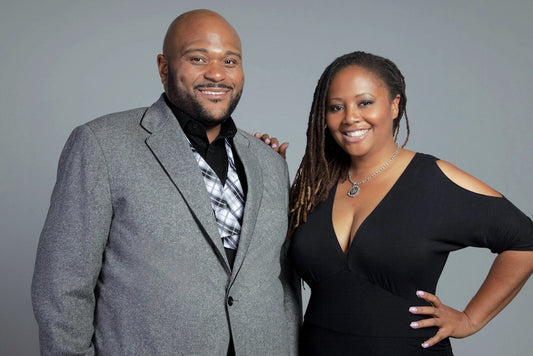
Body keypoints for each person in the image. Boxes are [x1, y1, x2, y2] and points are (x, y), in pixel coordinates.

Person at [31, 9, 300, 355]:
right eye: (198, 58)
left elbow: (284, 286)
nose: (216, 73)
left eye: (230, 61)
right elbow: (62, 285)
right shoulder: (101, 145)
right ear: (163, 68)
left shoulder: (268, 162)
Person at [288, 51, 533, 355]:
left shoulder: (433, 179)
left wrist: (470, 319)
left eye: (365, 102)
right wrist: (261, 166)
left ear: (394, 105)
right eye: (336, 107)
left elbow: (524, 239)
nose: (350, 117)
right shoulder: (314, 186)